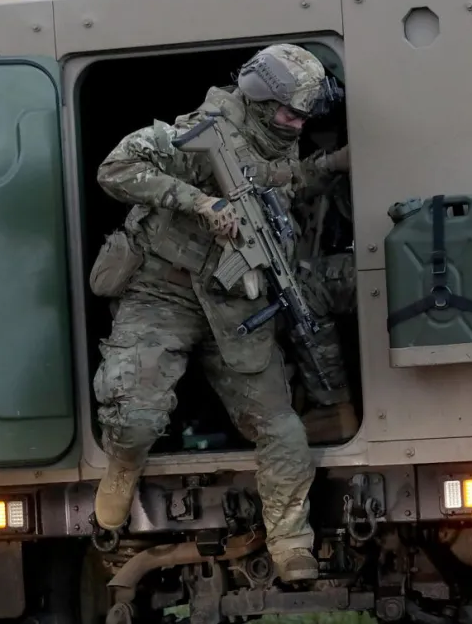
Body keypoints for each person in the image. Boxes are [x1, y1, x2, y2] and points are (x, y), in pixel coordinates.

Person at [87, 43, 355, 582]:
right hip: (163, 289)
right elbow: (115, 168)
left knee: (283, 430)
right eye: (288, 112)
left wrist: (331, 165)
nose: (298, 123)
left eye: (305, 114)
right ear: (258, 99)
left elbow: (284, 183)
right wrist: (202, 204)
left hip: (234, 302)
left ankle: (291, 542)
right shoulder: (199, 133)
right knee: (135, 413)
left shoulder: (277, 141)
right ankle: (120, 470)